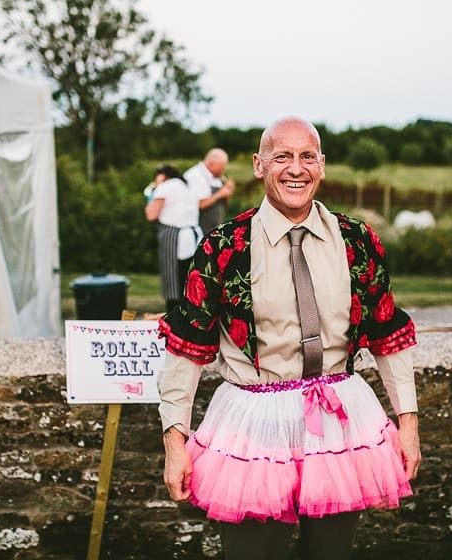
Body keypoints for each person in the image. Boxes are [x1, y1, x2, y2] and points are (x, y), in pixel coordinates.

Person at [158, 117, 421, 560]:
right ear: (260, 166)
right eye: (282, 156)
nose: (295, 168)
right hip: (253, 421)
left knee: (331, 554)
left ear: (321, 165)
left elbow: (387, 333)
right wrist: (174, 442)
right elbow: (185, 351)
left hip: (339, 421)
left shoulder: (358, 241)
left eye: (306, 156)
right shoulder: (224, 246)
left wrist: (408, 425)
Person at [145, 164, 203, 313]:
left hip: (174, 236)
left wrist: (154, 190)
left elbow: (151, 215)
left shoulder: (165, 187)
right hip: (193, 235)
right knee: (187, 278)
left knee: (172, 279)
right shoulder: (187, 185)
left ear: (162, 176)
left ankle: (173, 315)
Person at [184, 148, 236, 234]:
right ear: (212, 163)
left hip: (213, 230)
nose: (223, 170)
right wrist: (220, 193)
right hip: (198, 230)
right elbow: (199, 205)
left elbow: (224, 204)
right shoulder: (195, 176)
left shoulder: (217, 178)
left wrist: (227, 192)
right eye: (221, 167)